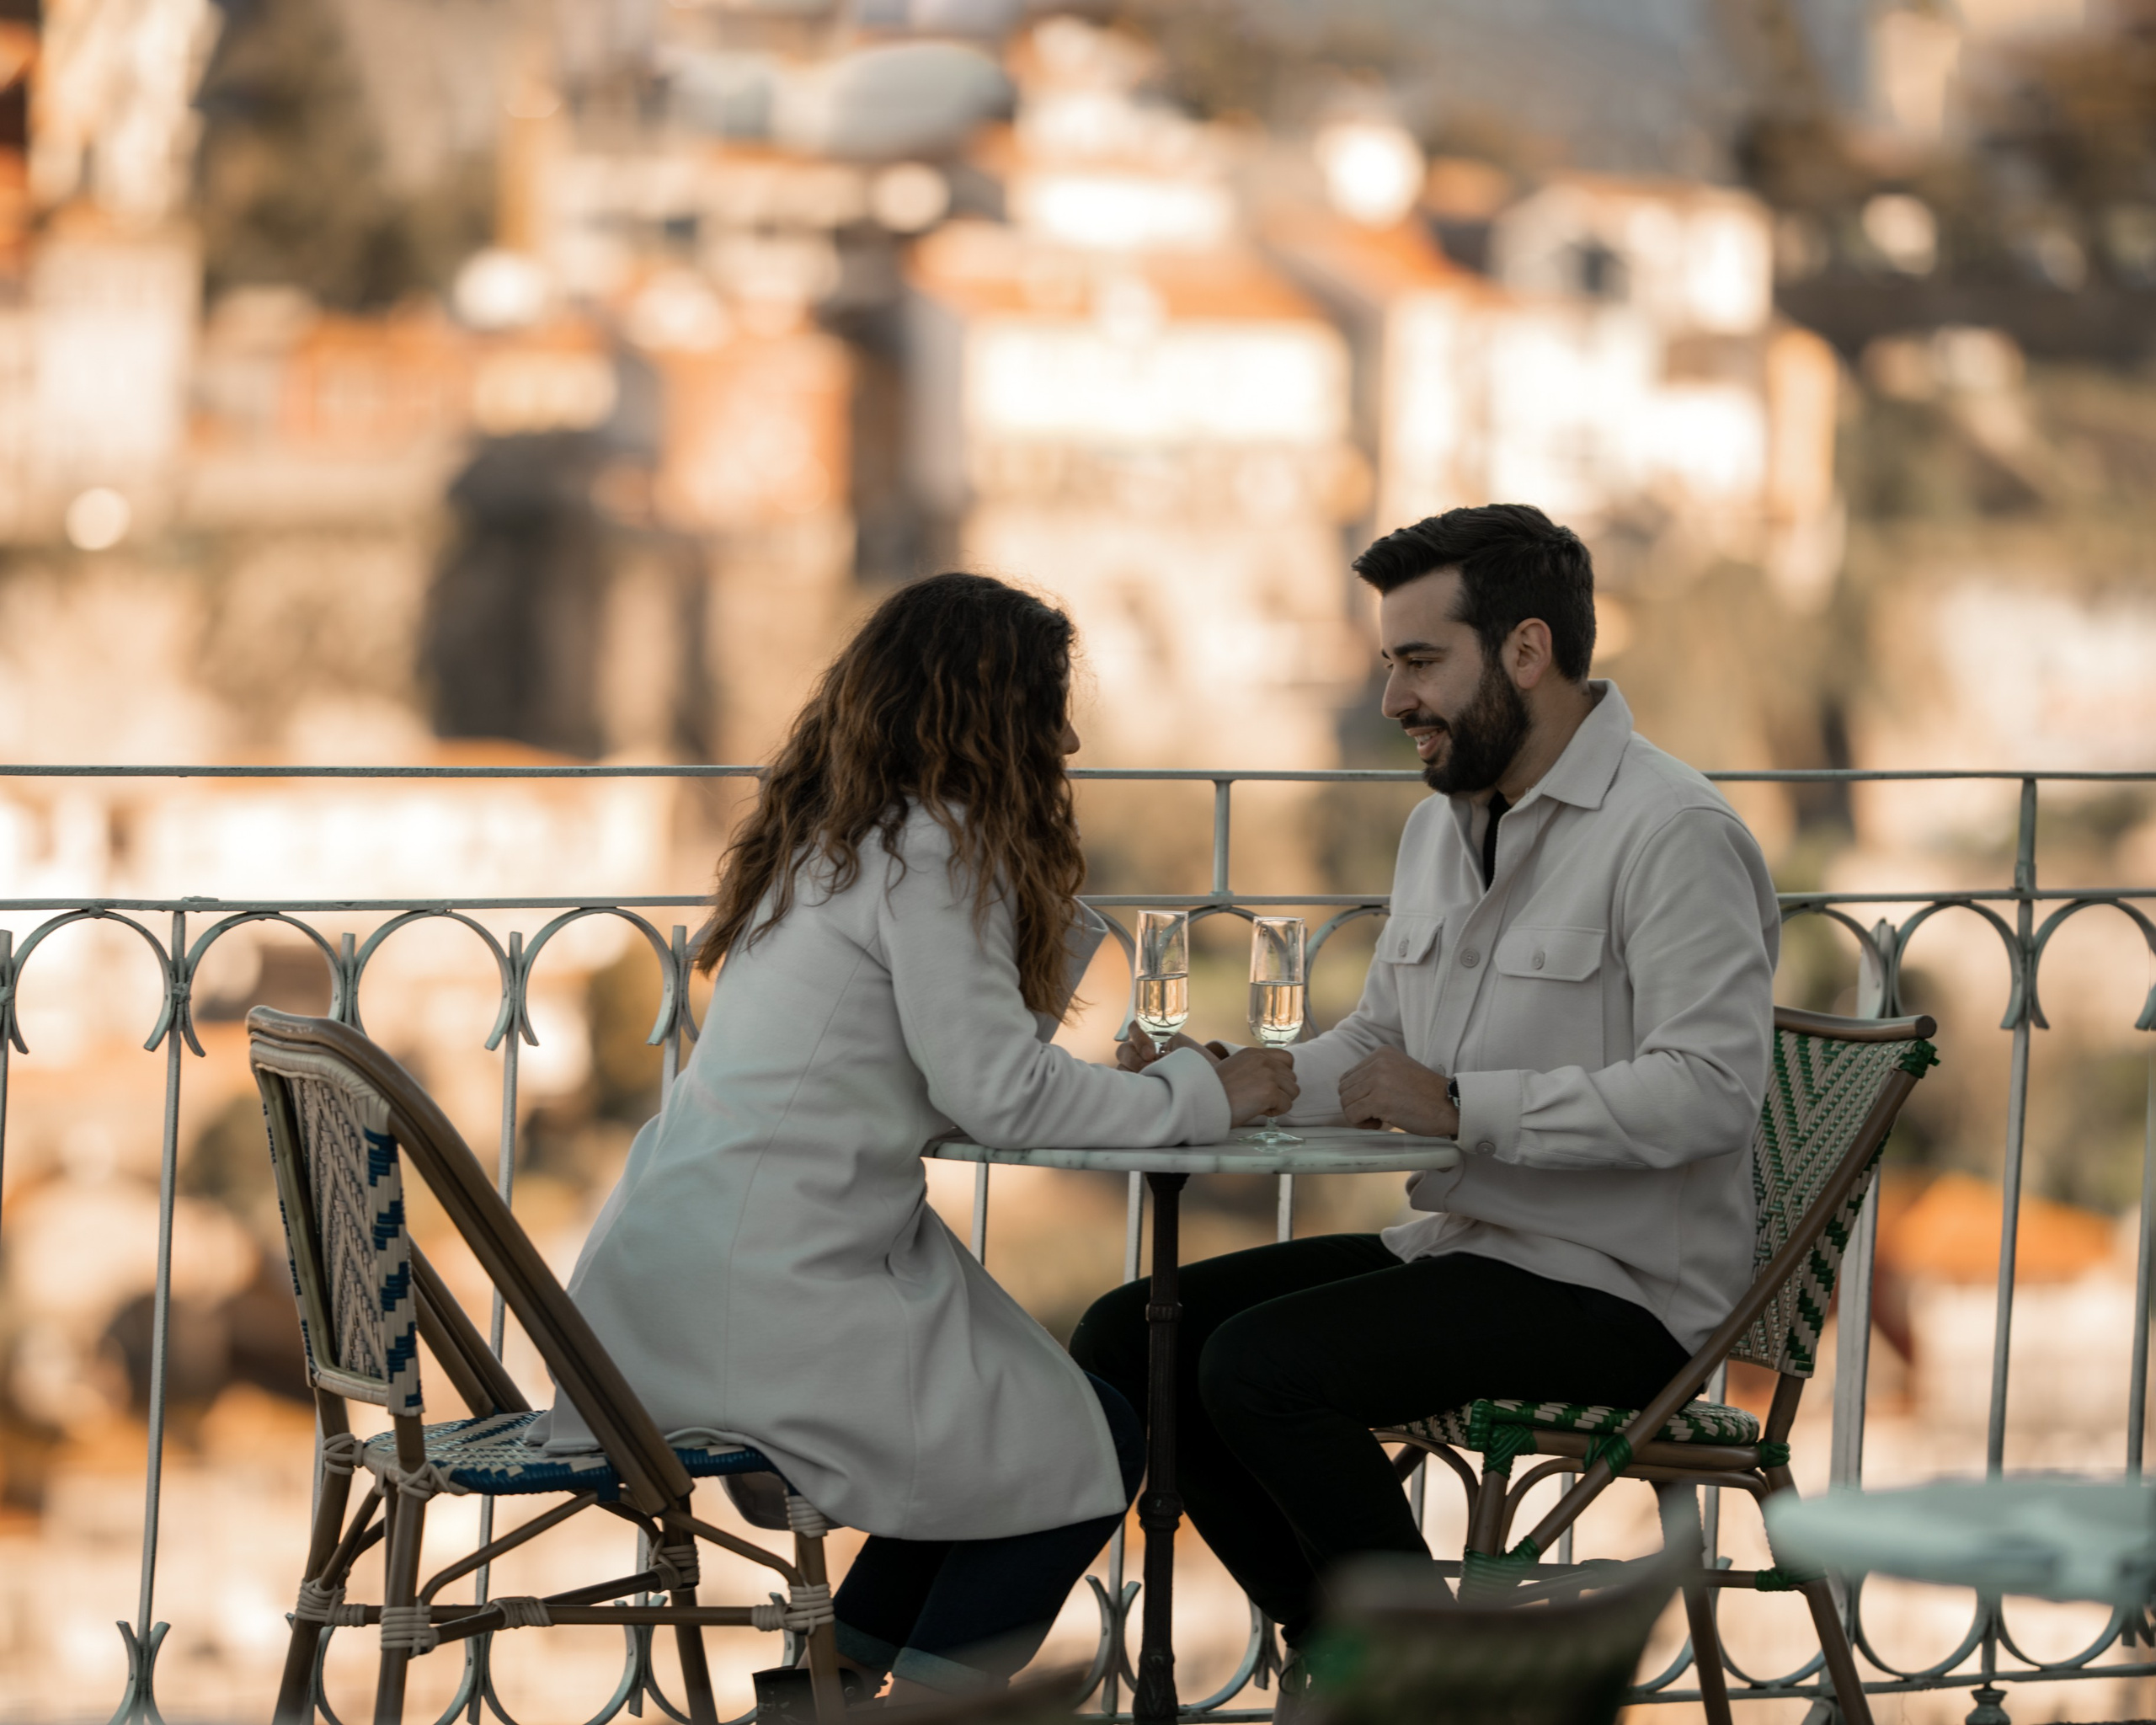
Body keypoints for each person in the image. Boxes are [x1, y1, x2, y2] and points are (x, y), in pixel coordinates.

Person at [534, 573, 1298, 1699]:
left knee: (1024, 1456)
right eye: (1053, 709)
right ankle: (904, 1714)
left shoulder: (841, 842)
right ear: (994, 719)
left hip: (684, 1275)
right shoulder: (934, 854)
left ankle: (823, 1702)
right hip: (777, 1287)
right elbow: (1000, 1102)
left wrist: (1070, 1035)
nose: (1073, 739)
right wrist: (1209, 1096)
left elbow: (951, 1080)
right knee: (1092, 1450)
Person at [1070, 504, 1780, 1679]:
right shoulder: (1438, 831)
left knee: (1261, 1369)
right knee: (1129, 1336)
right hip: (1467, 1248)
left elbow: (1707, 1093)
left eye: (1418, 662)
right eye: (1389, 663)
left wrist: (1464, 1106)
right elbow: (1382, 1045)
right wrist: (1248, 1081)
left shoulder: (1675, 835)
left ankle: (1431, 1680)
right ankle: (1356, 1664)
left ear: (1526, 651)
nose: (1395, 698)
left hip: (1629, 1295)